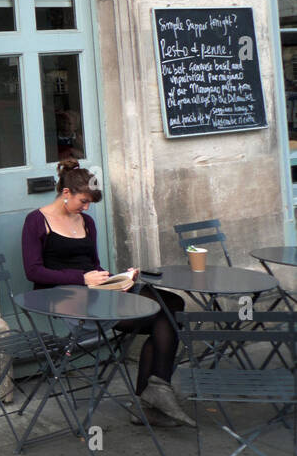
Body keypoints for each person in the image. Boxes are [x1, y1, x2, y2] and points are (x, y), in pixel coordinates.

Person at [21, 159, 193, 427]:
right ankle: (150, 397)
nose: (87, 208)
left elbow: (94, 266)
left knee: (172, 303)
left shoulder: (87, 222)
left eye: (90, 203)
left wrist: (117, 279)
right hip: (65, 297)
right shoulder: (36, 221)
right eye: (83, 201)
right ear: (66, 194)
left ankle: (153, 394)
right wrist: (82, 278)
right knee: (162, 316)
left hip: (97, 290)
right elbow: (34, 272)